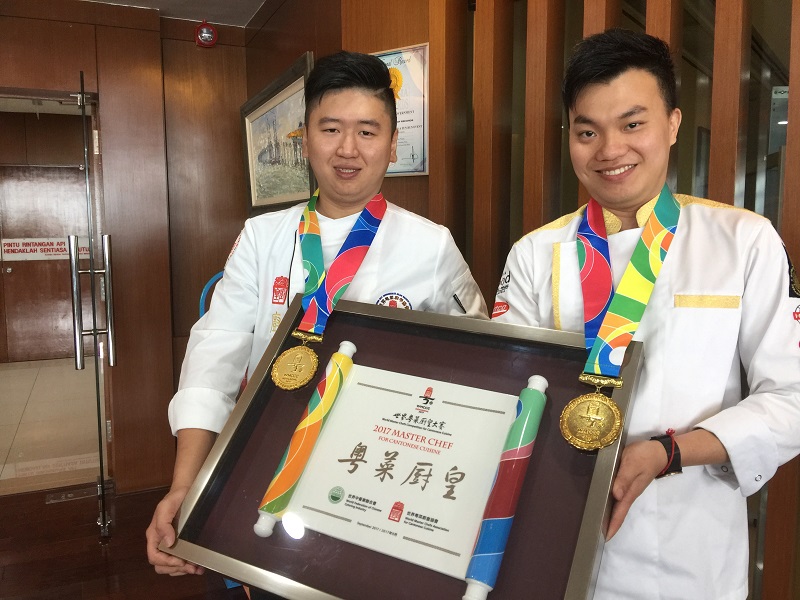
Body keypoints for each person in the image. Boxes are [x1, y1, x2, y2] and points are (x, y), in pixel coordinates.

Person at [146, 51, 487, 592]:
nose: (348, 149)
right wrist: (184, 484)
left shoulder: (431, 244)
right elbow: (215, 354)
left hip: (377, 473)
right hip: (261, 461)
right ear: (305, 140)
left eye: (367, 131)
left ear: (393, 144)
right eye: (331, 129)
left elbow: (475, 367)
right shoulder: (262, 238)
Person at [493, 28, 800, 599]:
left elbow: (792, 398)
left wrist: (669, 452)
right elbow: (503, 394)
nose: (610, 150)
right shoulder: (535, 254)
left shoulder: (744, 241)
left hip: (689, 551)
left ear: (673, 124)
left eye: (633, 124)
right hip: (551, 539)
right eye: (588, 131)